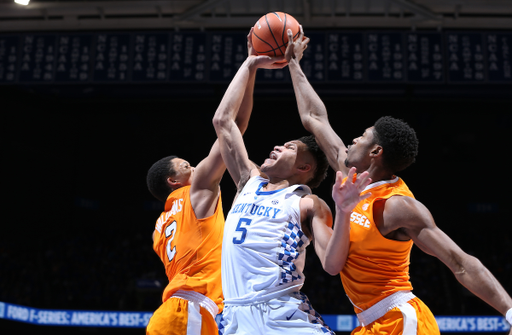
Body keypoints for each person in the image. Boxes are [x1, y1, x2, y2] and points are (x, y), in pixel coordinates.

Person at [285, 27, 512, 335]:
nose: (352, 139)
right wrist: (294, 64)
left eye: (362, 137)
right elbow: (314, 117)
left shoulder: (398, 207)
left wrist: (509, 311)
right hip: (368, 323)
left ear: (376, 152)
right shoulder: (348, 172)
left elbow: (459, 262)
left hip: (400, 319)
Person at [211, 28, 366, 335]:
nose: (278, 146)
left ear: (304, 167)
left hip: (282, 313)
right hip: (234, 316)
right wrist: (250, 64)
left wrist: (345, 210)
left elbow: (332, 265)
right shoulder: (248, 181)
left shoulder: (307, 202)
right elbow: (223, 122)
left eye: (290, 147)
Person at [144, 31, 262, 335]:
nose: (195, 167)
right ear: (174, 181)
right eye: (187, 166)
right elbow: (231, 128)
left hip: (178, 312)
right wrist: (250, 65)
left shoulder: (161, 225)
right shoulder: (196, 193)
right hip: (188, 311)